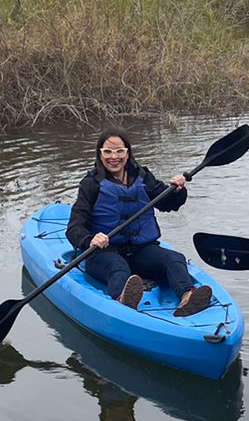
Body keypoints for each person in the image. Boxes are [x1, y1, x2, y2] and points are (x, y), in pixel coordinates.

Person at [66, 128, 214, 317]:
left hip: (141, 251)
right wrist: (90, 240)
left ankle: (188, 296)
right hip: (103, 254)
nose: (114, 157)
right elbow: (74, 227)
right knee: (119, 268)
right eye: (108, 151)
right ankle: (123, 301)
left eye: (120, 151)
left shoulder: (142, 177)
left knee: (174, 258)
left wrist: (177, 190)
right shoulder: (91, 184)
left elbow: (169, 204)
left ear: (127, 153)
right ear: (100, 154)